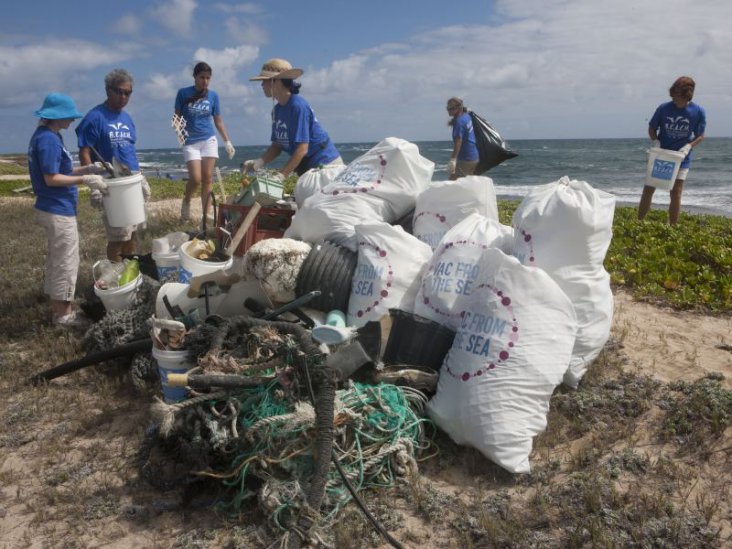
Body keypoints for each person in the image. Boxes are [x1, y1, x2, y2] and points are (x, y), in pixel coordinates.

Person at [28, 93, 108, 327]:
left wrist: (86, 168)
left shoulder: (46, 136)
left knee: (57, 258)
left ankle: (60, 308)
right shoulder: (49, 140)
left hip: (52, 207)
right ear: (57, 117)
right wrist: (86, 181)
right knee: (66, 261)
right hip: (57, 208)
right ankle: (64, 316)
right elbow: (52, 178)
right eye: (69, 116)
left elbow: (62, 169)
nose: (72, 121)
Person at [76, 68, 150, 262]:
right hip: (112, 183)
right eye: (119, 91)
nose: (124, 96)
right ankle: (116, 273)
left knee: (134, 231)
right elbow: (85, 151)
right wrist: (93, 185)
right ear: (108, 90)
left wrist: (140, 176)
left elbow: (129, 149)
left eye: (128, 92)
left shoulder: (127, 118)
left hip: (132, 179)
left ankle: (130, 269)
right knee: (118, 235)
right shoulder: (95, 117)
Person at [242, 58, 343, 179]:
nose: (262, 84)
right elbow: (277, 146)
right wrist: (258, 162)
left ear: (277, 81)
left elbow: (302, 149)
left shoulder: (298, 106)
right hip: (306, 167)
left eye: (265, 80)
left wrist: (281, 176)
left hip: (326, 165)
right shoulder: (277, 111)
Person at [638, 76, 706, 225]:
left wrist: (689, 146)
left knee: (676, 193)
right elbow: (652, 127)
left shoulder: (698, 111)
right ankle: (639, 223)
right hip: (661, 154)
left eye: (678, 97)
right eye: (673, 95)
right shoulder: (664, 108)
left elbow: (700, 136)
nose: (674, 99)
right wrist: (656, 141)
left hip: (681, 157)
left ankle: (673, 228)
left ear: (687, 96)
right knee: (649, 188)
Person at [175, 61, 235, 221]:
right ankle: (187, 201)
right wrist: (181, 137)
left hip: (209, 139)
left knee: (208, 177)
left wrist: (227, 141)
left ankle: (206, 213)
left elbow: (218, 120)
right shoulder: (183, 93)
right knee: (196, 178)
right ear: (195, 76)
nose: (205, 81)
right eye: (202, 77)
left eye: (208, 78)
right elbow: (177, 118)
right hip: (190, 142)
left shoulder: (213, 96)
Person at [446, 97, 479, 180]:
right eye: (448, 108)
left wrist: (452, 160)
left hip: (466, 159)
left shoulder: (459, 122)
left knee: (452, 185)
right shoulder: (466, 116)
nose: (449, 110)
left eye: (451, 108)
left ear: (458, 108)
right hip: (474, 157)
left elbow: (458, 142)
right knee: (466, 184)